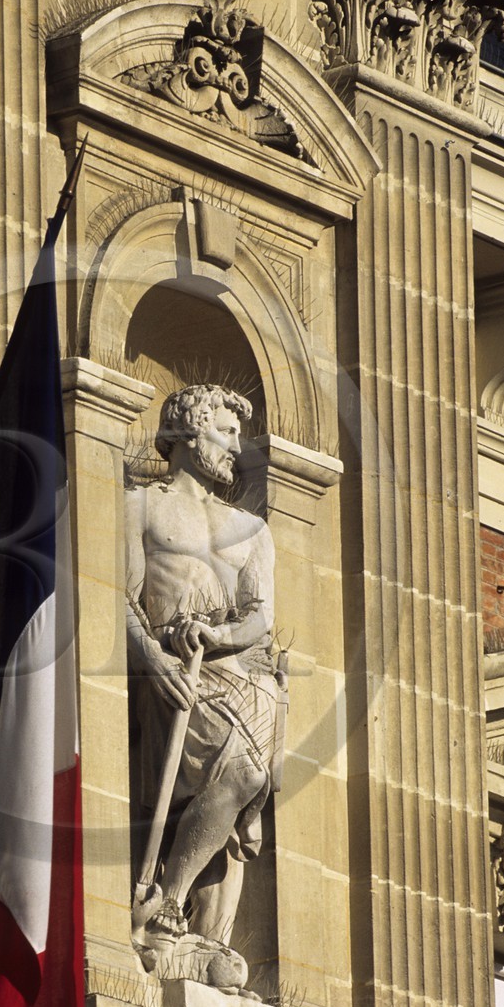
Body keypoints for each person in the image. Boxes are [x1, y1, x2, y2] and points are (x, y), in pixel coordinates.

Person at [125, 383, 286, 949]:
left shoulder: (252, 530)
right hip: (174, 671)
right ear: (190, 433)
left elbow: (260, 616)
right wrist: (151, 659)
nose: (235, 450)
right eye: (225, 433)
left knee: (243, 796)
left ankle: (208, 936)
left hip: (246, 676)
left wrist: (218, 632)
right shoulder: (141, 506)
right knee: (243, 773)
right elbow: (114, 596)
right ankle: (167, 903)